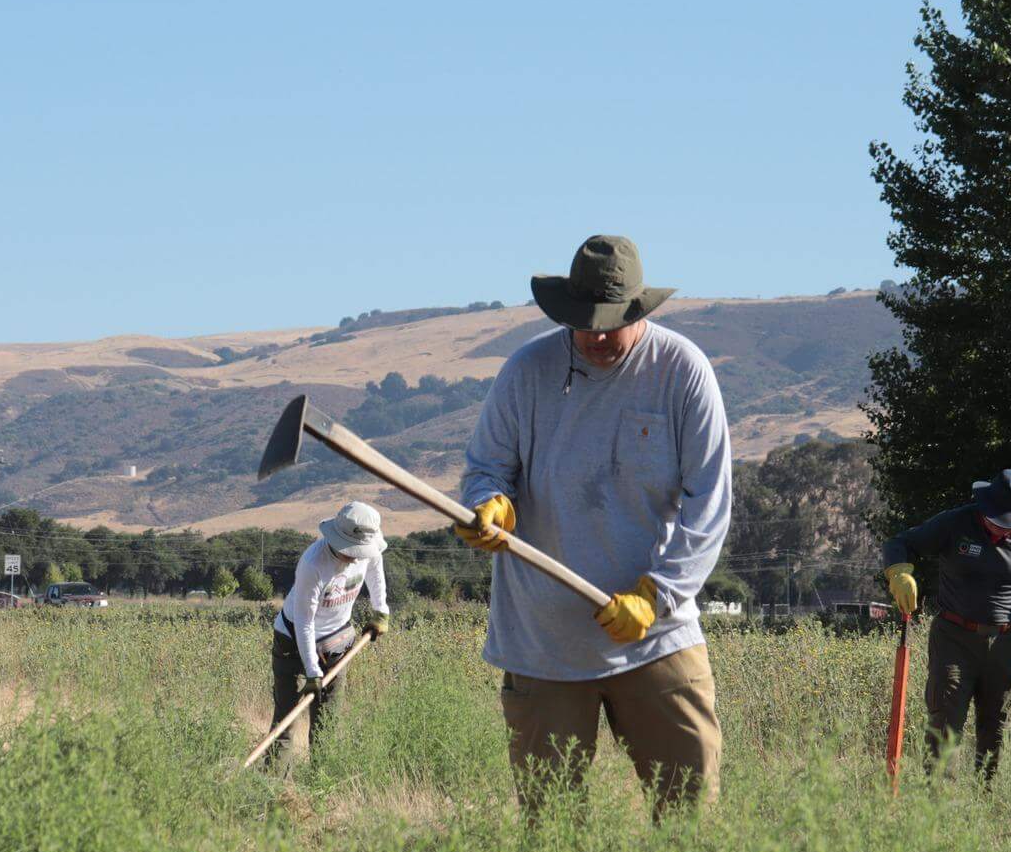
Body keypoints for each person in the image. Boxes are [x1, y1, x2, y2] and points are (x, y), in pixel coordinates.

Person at [457, 234, 731, 816]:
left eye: (612, 323)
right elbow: (485, 470)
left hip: (655, 636)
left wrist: (658, 595)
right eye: (584, 323)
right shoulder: (526, 371)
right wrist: (491, 504)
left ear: (640, 309)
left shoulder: (682, 371)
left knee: (693, 812)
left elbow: (709, 504)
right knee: (552, 830)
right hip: (543, 643)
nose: (597, 336)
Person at [881, 469, 1011, 775]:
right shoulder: (956, 523)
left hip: (1007, 645)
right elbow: (900, 542)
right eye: (996, 519)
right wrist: (900, 572)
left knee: (999, 730)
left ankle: (989, 804)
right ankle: (938, 808)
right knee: (944, 726)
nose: (1001, 528)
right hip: (953, 639)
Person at [269, 500, 392, 766]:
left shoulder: (369, 549)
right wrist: (313, 673)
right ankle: (270, 792)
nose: (356, 557)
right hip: (293, 641)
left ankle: (319, 790)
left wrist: (380, 611)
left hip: (337, 641)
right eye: (351, 551)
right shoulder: (313, 564)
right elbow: (304, 622)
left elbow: (375, 574)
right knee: (285, 723)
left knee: (327, 724)